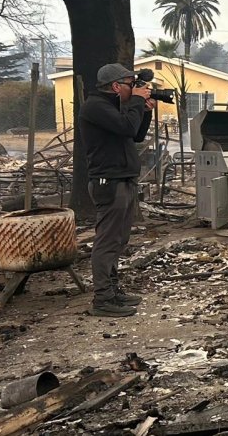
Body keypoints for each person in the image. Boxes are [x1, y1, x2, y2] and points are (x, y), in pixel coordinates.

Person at [80, 63, 154, 317]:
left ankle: (113, 292)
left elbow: (134, 134)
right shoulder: (95, 107)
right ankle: (103, 299)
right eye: (130, 85)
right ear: (115, 86)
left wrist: (143, 111)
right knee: (107, 242)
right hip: (108, 182)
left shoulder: (112, 108)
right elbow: (125, 127)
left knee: (118, 240)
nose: (134, 89)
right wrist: (135, 102)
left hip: (122, 179)